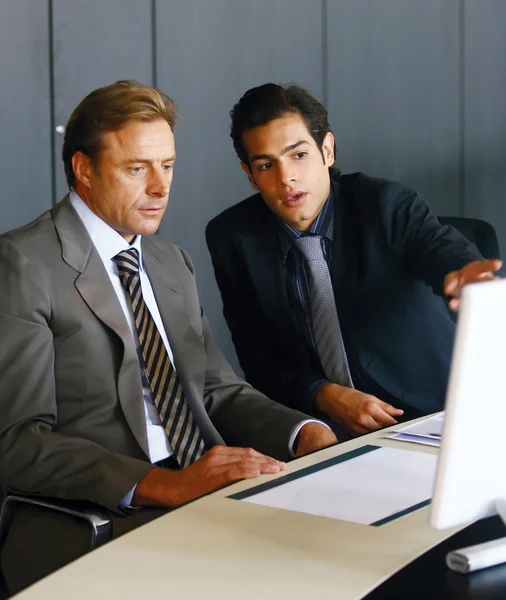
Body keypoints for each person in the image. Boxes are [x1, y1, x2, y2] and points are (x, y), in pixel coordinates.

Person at [0, 80, 336, 594]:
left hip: (209, 496)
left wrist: (309, 435)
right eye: (137, 169)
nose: (160, 187)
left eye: (168, 166)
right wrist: (166, 485)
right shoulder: (21, 264)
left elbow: (219, 391)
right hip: (96, 518)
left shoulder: (169, 261)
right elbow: (18, 442)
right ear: (84, 169)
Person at [206, 82, 502, 440]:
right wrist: (322, 395)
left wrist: (463, 269)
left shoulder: (383, 203)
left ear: (327, 150)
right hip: (328, 429)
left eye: (298, 155)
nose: (287, 178)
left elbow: (435, 246)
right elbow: (258, 359)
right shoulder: (232, 237)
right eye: (267, 165)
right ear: (249, 175)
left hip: (438, 415)